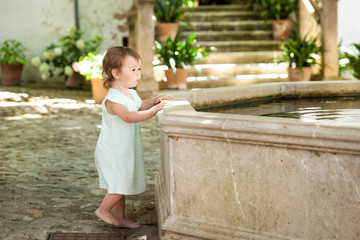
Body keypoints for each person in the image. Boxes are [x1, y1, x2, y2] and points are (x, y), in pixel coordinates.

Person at [94, 46, 171, 228]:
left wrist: (152, 102)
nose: (138, 74)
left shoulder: (130, 93)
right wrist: (152, 112)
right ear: (116, 73)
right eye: (133, 69)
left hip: (124, 149)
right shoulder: (113, 99)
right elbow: (129, 116)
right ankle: (103, 210)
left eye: (139, 69)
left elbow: (137, 105)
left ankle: (120, 218)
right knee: (119, 184)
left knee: (121, 185)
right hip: (113, 151)